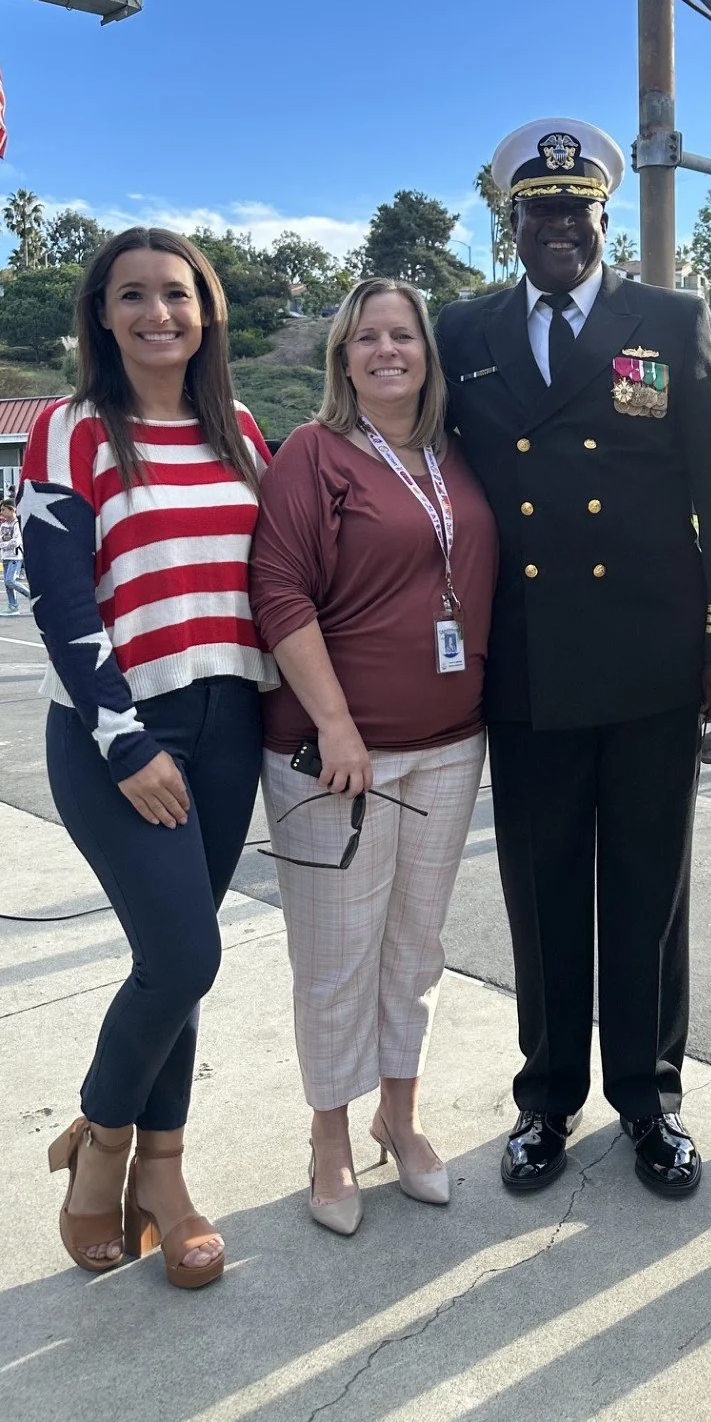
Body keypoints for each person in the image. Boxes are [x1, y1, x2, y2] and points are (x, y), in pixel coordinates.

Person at [436, 117, 711, 1198]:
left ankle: (650, 1099)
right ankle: (547, 1097)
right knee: (542, 890)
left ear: (603, 216)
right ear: (511, 222)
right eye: (538, 211)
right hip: (525, 665)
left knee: (648, 891)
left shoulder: (667, 318)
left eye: (576, 209)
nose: (557, 227)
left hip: (652, 660)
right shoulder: (462, 330)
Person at [20, 228, 277, 1289]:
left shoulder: (245, 431)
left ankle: (163, 1180)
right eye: (133, 295)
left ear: (207, 311)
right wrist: (124, 740)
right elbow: (60, 597)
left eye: (176, 293)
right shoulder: (70, 429)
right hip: (117, 734)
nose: (157, 312)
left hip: (231, 727)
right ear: (103, 314)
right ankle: (104, 1146)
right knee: (184, 957)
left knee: (180, 958)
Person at [250, 278, 497, 1236]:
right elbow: (278, 592)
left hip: (448, 746)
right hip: (334, 756)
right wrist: (338, 724)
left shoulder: (454, 456)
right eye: (366, 339)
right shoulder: (314, 455)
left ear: (427, 353)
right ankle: (329, 1135)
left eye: (403, 335)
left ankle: (401, 1114)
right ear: (342, 358)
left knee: (414, 950)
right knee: (335, 959)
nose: (386, 351)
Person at [0, 497, 24, 614]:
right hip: (5, 556)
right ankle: (13, 606)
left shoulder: (17, 524)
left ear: (12, 510)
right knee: (8, 584)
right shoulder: (4, 525)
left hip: (15, 557)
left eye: (4, 510)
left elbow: (16, 541)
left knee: (10, 581)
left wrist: (5, 543)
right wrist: (4, 541)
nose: (1, 512)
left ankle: (30, 596)